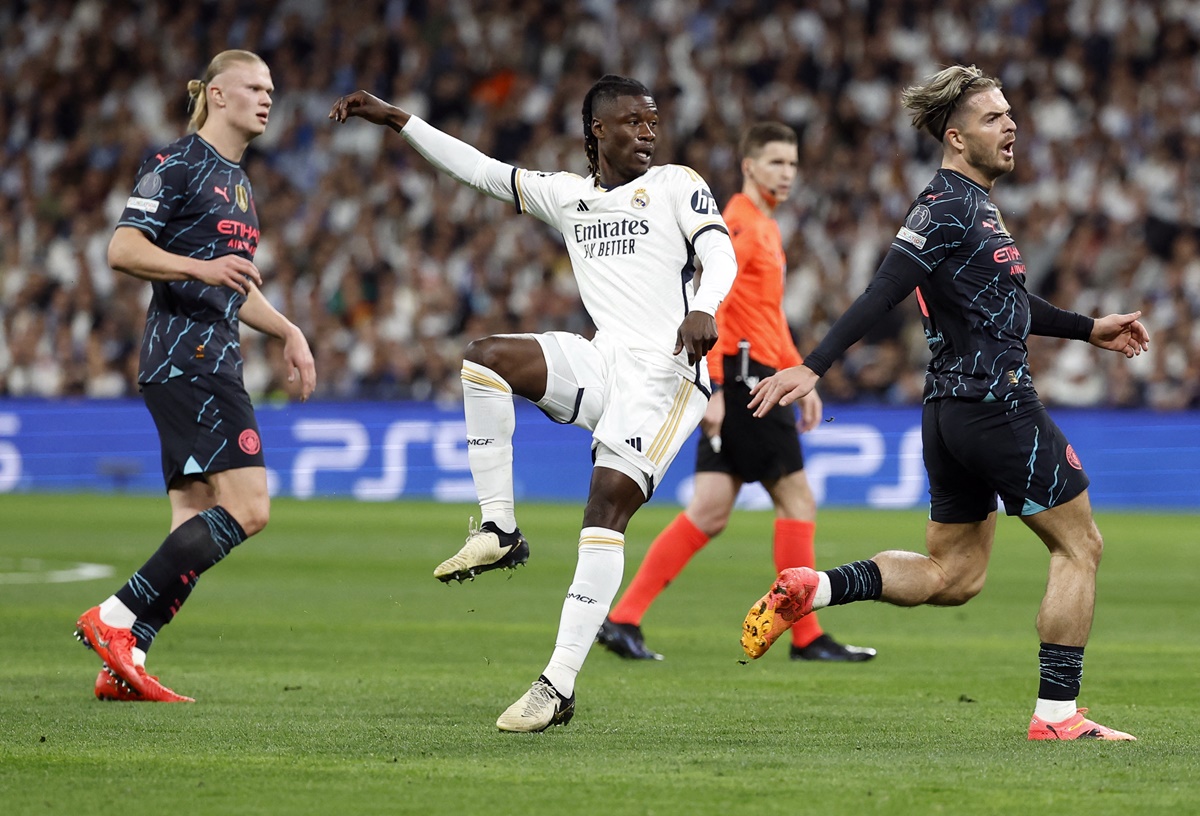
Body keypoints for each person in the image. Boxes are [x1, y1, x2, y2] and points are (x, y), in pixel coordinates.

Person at [739, 66, 1147, 741]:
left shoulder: (975, 206)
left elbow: (1008, 300)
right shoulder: (947, 205)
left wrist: (1087, 326)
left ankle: (819, 587)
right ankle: (1057, 717)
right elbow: (882, 290)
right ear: (956, 138)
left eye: (1011, 113)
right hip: (998, 405)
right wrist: (812, 367)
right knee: (1081, 547)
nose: (1011, 125)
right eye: (994, 118)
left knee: (954, 574)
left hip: (949, 413)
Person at [330, 74, 737, 732]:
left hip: (668, 377)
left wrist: (702, 307)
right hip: (607, 360)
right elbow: (481, 170)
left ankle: (558, 685)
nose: (648, 133)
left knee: (604, 508)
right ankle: (499, 529)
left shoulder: (675, 184)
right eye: (633, 122)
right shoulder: (566, 196)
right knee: (484, 359)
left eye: (653, 122)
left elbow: (720, 253)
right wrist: (398, 119)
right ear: (599, 130)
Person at [74, 50, 316, 703]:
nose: (267, 97)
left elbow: (237, 284)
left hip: (207, 355)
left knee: (195, 514)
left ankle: (127, 662)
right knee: (250, 508)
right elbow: (121, 249)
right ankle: (116, 617)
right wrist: (201, 269)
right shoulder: (175, 163)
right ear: (216, 94)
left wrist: (289, 330)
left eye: (272, 87)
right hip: (191, 360)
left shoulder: (237, 183)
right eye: (254, 87)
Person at [596, 122, 875, 663]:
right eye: (775, 163)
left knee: (708, 511)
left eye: (792, 164)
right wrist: (715, 386)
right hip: (748, 381)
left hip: (764, 372)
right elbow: (708, 300)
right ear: (749, 166)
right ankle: (805, 636)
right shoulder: (741, 225)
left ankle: (623, 618)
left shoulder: (763, 225)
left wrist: (802, 371)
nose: (787, 174)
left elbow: (766, 314)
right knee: (797, 500)